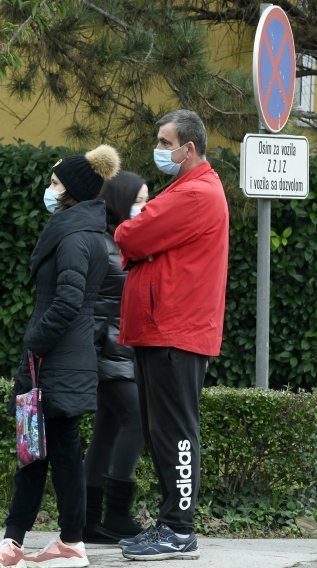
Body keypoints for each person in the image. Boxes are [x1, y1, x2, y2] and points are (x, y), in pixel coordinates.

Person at [115, 110, 229, 561]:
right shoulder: (184, 189)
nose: (159, 150)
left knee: (176, 431)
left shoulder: (196, 193)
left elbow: (131, 234)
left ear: (190, 148)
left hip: (175, 331)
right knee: (161, 431)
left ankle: (179, 529)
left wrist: (133, 223)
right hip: (163, 329)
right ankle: (169, 524)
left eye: (165, 142)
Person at [0, 145, 120, 568]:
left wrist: (35, 339)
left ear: (72, 192)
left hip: (54, 361)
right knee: (47, 450)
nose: (49, 190)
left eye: (55, 184)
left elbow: (68, 300)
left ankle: (45, 542)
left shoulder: (72, 236)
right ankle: (48, 541)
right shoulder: (86, 232)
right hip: (65, 359)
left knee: (42, 451)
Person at [82, 171, 149, 544]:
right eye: (138, 199)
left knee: (107, 429)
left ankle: (92, 520)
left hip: (118, 353)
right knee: (136, 420)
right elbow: (97, 309)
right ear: (121, 200)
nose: (145, 205)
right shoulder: (107, 247)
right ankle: (117, 513)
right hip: (111, 354)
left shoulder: (121, 243)